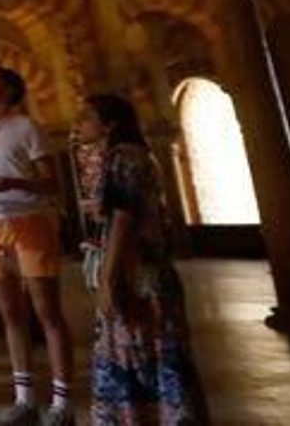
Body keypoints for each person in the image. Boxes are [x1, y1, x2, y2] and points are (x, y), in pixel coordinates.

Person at [78, 94, 210, 425]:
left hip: (136, 273)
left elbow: (123, 218)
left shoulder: (121, 158)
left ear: (109, 125)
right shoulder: (139, 156)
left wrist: (108, 278)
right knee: (157, 348)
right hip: (152, 268)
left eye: (87, 117)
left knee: (135, 347)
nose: (79, 123)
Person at [0, 68, 74, 426]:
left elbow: (51, 182)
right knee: (11, 314)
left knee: (47, 313)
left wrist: (15, 182)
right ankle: (24, 399)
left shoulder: (27, 127)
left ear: (10, 89)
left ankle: (62, 403)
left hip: (28, 221)